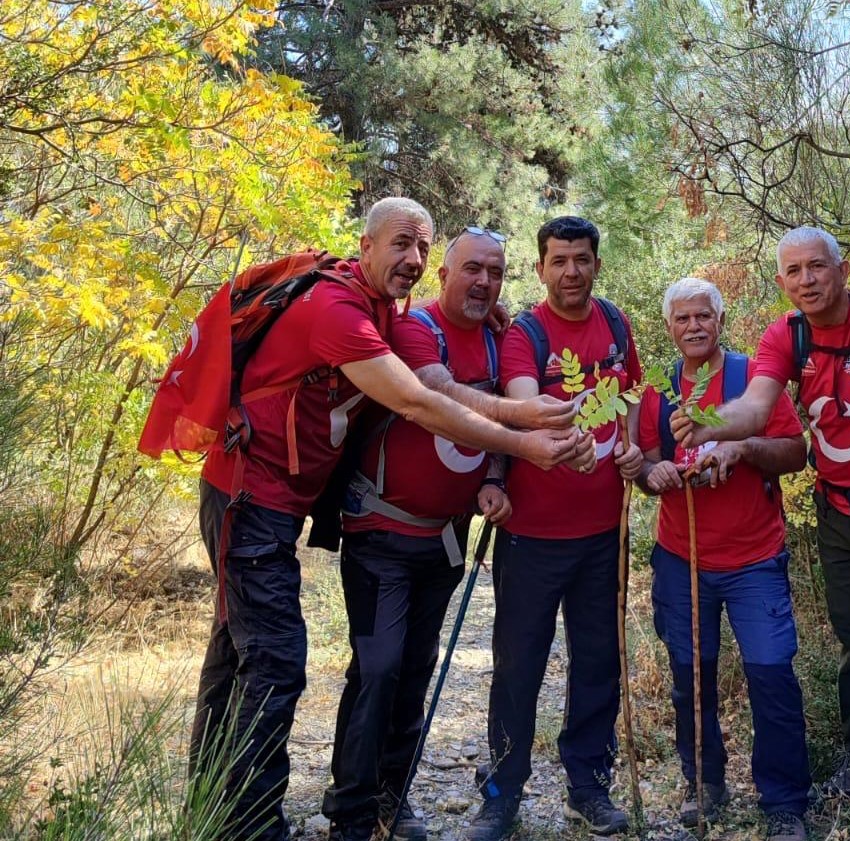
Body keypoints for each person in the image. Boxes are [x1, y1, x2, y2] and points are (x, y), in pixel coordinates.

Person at [190, 198, 582, 841]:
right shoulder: (338, 309)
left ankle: (213, 812)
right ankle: (253, 824)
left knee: (237, 659)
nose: (412, 259)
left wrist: (497, 462)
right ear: (365, 246)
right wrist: (528, 436)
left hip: (279, 506)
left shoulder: (378, 306)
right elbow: (418, 399)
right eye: (402, 245)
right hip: (246, 496)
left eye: (421, 248)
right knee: (276, 662)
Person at [670, 227, 850, 841]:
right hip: (836, 511)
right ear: (782, 281)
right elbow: (755, 408)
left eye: (816, 267)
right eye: (794, 271)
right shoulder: (787, 334)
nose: (806, 280)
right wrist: (708, 422)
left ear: (841, 269)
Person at [320, 227, 524, 841]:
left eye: (494, 271)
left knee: (416, 667)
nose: (483, 282)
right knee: (378, 668)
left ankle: (392, 795)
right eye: (471, 269)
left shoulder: (498, 342)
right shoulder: (415, 330)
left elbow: (487, 431)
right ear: (444, 274)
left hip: (444, 539)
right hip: (381, 532)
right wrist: (524, 432)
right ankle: (351, 810)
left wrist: (494, 474)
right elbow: (436, 395)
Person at [465, 216, 643, 841]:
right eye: (560, 260)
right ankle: (501, 794)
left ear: (597, 263)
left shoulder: (617, 325)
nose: (572, 271)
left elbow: (634, 401)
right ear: (540, 268)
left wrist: (633, 451)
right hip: (532, 535)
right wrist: (562, 436)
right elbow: (523, 410)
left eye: (583, 259)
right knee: (519, 666)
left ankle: (587, 787)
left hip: (602, 535)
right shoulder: (526, 335)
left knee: (598, 663)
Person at [637, 277, 813, 841]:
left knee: (771, 674)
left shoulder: (750, 381)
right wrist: (654, 473)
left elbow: (795, 453)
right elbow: (646, 462)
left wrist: (740, 450)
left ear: (719, 320)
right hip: (680, 558)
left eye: (703, 317)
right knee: (692, 678)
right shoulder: (658, 392)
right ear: (670, 327)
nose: (694, 327)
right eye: (683, 318)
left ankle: (784, 803)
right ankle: (704, 783)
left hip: (755, 558)